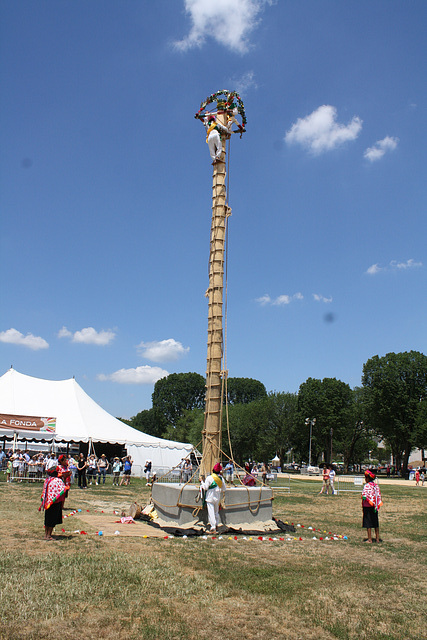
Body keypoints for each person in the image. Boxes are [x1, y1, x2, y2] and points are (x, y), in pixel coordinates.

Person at [39, 466, 67, 540]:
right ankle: (49, 535)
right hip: (55, 502)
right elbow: (64, 489)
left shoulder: (47, 480)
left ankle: (46, 534)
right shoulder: (58, 481)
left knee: (48, 518)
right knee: (52, 519)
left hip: (48, 502)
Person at [200, 462, 226, 534]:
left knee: (211, 512)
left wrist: (202, 482)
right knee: (216, 512)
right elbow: (224, 489)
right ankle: (216, 524)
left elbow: (205, 488)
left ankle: (213, 527)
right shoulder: (221, 479)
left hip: (210, 497)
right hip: (217, 497)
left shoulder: (209, 478)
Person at [362, 469, 383, 543]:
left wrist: (364, 498)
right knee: (375, 522)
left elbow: (364, 495)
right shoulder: (376, 486)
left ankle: (370, 539)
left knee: (368, 523)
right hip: (375, 507)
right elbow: (378, 495)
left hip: (368, 506)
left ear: (368, 478)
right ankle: (377, 538)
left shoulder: (367, 486)